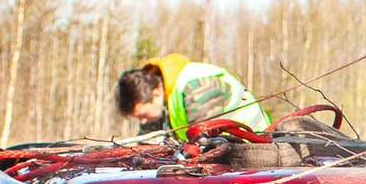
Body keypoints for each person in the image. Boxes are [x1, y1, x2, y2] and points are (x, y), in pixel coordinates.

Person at [114, 53, 273, 136]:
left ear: (155, 95)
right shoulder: (161, 98)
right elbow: (146, 144)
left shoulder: (197, 88)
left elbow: (206, 143)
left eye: (142, 115)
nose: (142, 121)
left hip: (256, 146)